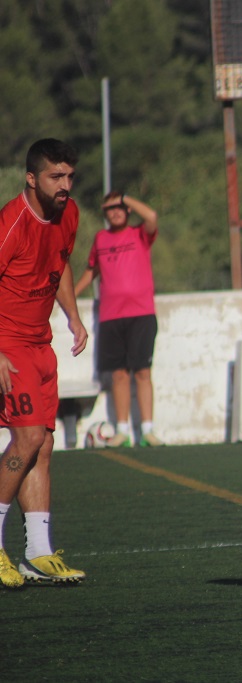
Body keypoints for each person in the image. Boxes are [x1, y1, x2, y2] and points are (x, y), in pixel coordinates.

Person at [0, 138, 89, 587]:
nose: (65, 185)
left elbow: (61, 263)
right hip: (8, 345)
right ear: (32, 178)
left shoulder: (67, 214)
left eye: (70, 176)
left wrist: (73, 315)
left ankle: (38, 552)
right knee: (28, 438)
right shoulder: (10, 224)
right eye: (56, 176)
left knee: (44, 445)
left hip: (40, 344)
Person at [74, 191, 163, 447]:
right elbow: (91, 270)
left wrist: (125, 198)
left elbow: (152, 216)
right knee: (119, 375)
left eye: (119, 207)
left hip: (141, 313)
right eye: (109, 209)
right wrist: (70, 296)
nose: (115, 212)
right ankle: (122, 431)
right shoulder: (101, 239)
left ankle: (148, 431)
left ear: (127, 210)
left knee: (142, 372)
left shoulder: (139, 234)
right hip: (111, 316)